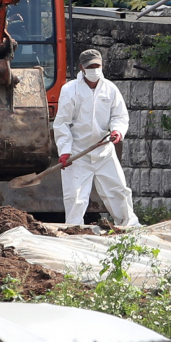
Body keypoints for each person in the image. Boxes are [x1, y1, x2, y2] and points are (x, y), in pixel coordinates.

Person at [54, 49, 140, 229]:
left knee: (118, 191)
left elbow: (120, 116)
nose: (94, 70)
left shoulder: (110, 89)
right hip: (78, 154)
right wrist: (64, 151)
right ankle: (74, 230)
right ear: (81, 68)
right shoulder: (70, 90)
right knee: (75, 197)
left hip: (104, 151)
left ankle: (129, 228)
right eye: (90, 67)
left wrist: (117, 131)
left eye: (97, 66)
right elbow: (62, 123)